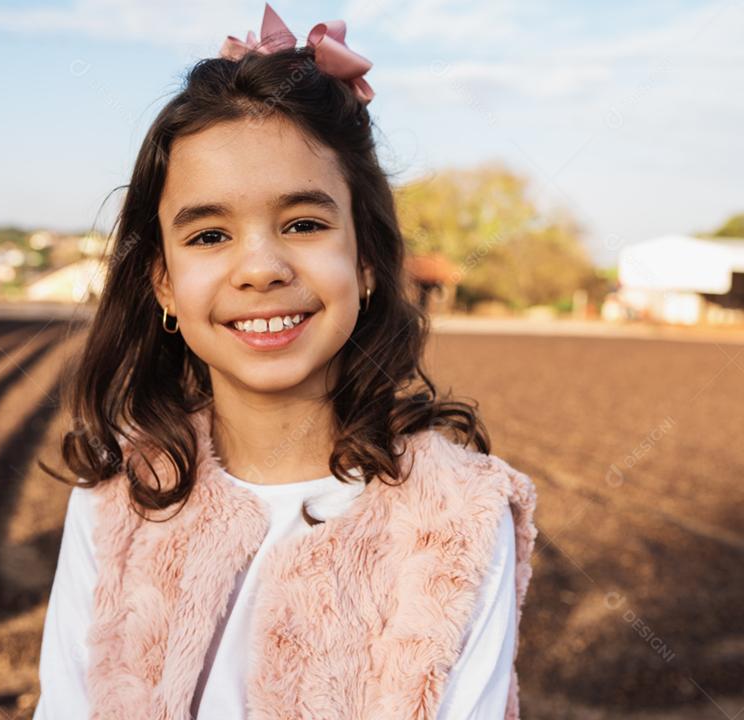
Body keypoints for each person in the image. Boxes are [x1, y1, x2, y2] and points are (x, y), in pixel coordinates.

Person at [33, 4, 537, 718]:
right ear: (164, 284)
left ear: (366, 261)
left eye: (303, 224)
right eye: (209, 235)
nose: (261, 268)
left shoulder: (459, 519)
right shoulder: (117, 499)